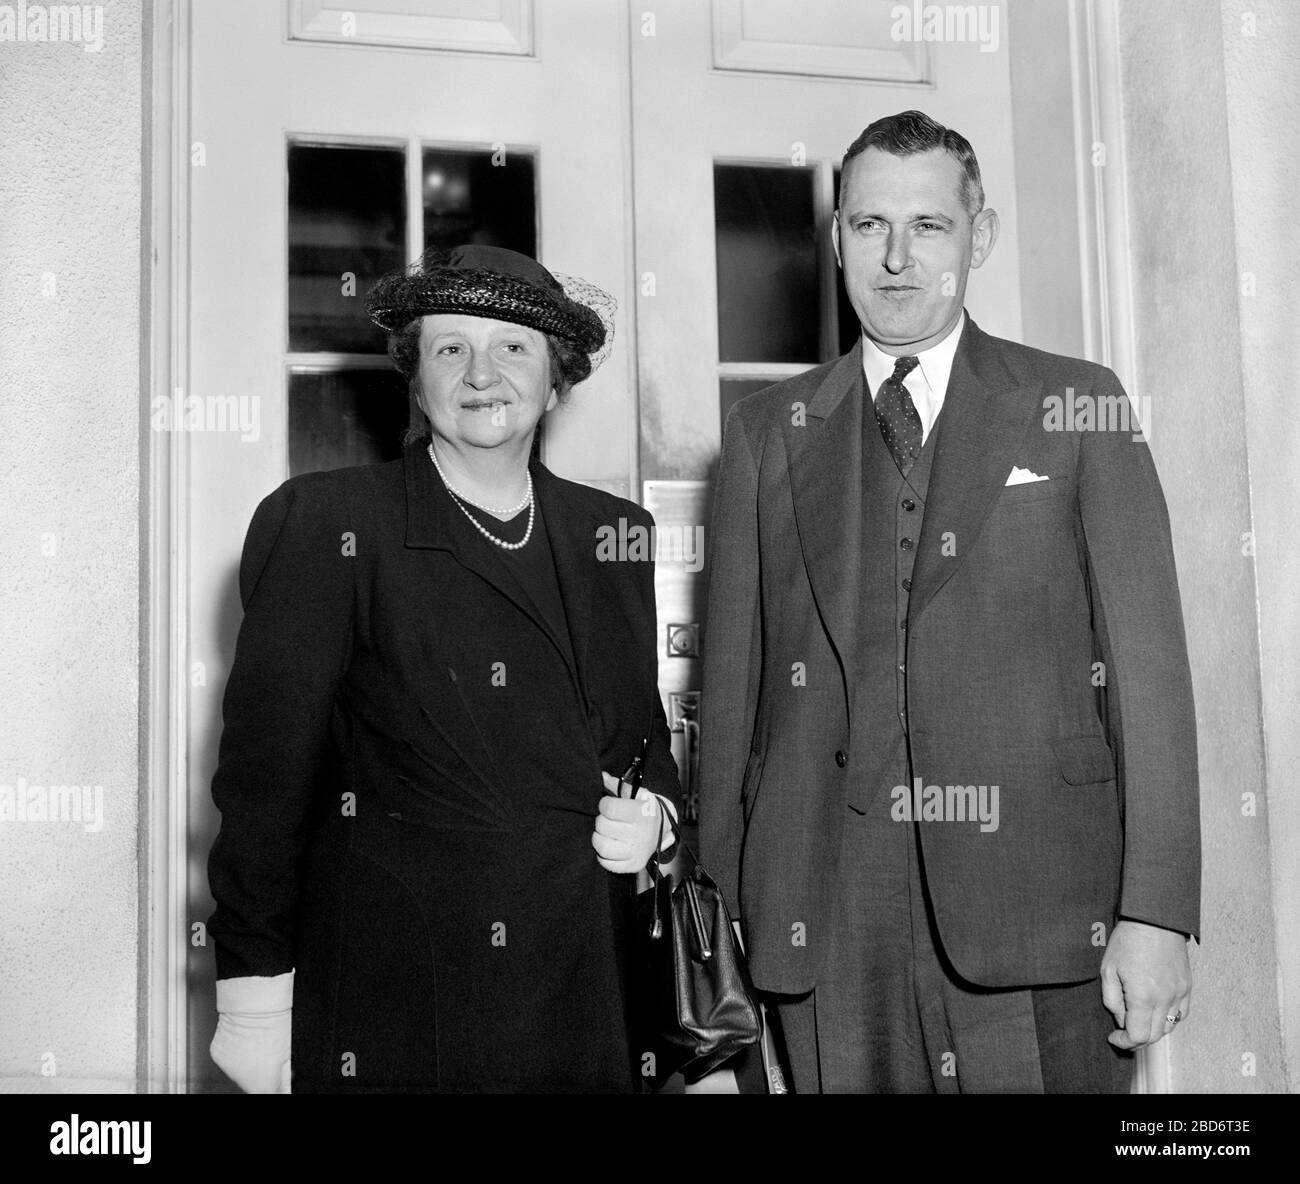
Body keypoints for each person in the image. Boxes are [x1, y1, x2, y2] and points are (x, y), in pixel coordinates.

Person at [699, 110, 1200, 1093]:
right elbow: (732, 700)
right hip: (827, 923)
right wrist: (717, 940)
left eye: (926, 225)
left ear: (978, 235)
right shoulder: (765, 434)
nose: (893, 257)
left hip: (1045, 913)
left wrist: (1155, 909)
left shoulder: (1074, 403)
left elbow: (1148, 674)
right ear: (834, 236)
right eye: (865, 224)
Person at [207, 244, 681, 1093]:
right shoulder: (328, 525)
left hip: (592, 992)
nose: (482, 373)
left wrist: (661, 824)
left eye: (514, 347)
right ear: (416, 378)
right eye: (450, 347)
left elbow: (643, 740)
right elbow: (262, 787)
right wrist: (253, 996)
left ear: (556, 377)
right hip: (405, 1002)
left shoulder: (617, 534)